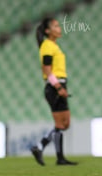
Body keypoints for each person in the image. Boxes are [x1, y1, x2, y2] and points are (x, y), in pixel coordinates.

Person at [30, 18, 77, 166]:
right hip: (54, 87)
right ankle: (58, 157)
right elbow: (47, 70)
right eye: (56, 26)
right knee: (61, 124)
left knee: (64, 123)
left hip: (59, 85)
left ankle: (40, 147)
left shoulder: (52, 46)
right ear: (47, 31)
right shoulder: (47, 46)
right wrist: (58, 87)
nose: (59, 28)